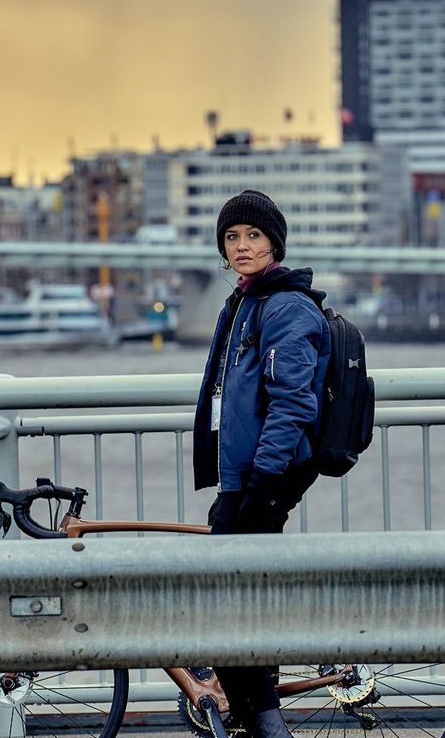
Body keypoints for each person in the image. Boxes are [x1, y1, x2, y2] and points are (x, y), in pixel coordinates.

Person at [192, 189, 331, 738]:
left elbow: (294, 400)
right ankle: (255, 717)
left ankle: (265, 723)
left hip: (267, 474)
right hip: (246, 473)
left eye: (253, 235)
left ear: (274, 242)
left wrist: (265, 480)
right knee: (235, 599)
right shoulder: (246, 301)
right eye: (232, 237)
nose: (241, 246)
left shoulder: (285, 305)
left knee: (229, 605)